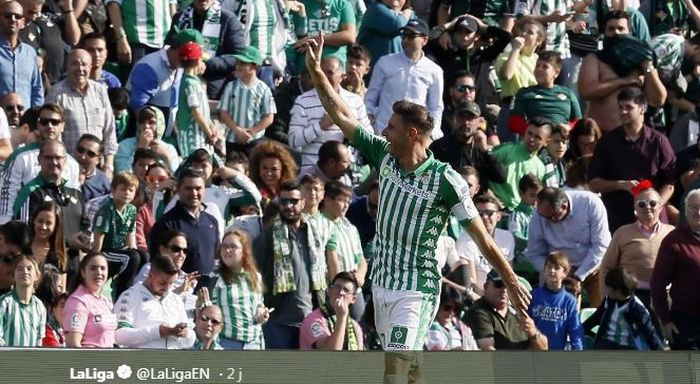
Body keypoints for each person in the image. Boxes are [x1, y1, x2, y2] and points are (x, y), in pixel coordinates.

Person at [305, 34, 529, 382]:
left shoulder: (445, 180)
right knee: (410, 370)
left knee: (394, 367)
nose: (383, 129)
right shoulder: (385, 155)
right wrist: (317, 70)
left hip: (417, 289)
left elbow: (482, 236)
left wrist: (512, 280)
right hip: (382, 284)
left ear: (411, 135)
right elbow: (341, 113)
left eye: (390, 127)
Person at [588, 87, 676, 232]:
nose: (623, 112)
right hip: (617, 219)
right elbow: (594, 184)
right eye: (620, 107)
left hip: (654, 222)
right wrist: (621, 185)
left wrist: (654, 205)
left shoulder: (659, 141)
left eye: (629, 107)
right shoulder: (607, 142)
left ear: (642, 108)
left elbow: (670, 183)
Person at [254, 180, 330, 349]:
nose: (288, 206)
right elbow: (254, 274)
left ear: (303, 202)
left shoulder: (314, 233)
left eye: (294, 201)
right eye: (284, 201)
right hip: (278, 320)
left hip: (311, 318)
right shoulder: (268, 236)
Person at [578, 11, 667, 131]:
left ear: (629, 32)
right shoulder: (594, 59)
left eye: (621, 28)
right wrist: (623, 81)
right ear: (604, 32)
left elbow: (658, 100)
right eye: (611, 29)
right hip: (601, 136)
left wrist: (646, 64)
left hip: (633, 137)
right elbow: (586, 91)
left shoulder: (642, 61)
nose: (616, 33)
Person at [526, 187, 611, 307]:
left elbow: (601, 246)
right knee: (552, 313)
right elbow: (534, 254)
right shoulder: (539, 215)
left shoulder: (591, 203)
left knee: (602, 310)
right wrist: (553, 271)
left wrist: (578, 276)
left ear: (564, 206)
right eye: (546, 217)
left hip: (593, 266)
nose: (550, 220)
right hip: (557, 268)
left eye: (554, 216)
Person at [0, 103, 81, 224]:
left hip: (60, 229)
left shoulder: (72, 164)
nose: (49, 126)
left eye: (55, 122)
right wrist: (5, 231)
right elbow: (7, 199)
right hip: (26, 226)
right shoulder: (20, 157)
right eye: (44, 122)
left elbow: (73, 201)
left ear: (63, 126)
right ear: (38, 125)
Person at [365, 18, 444, 139]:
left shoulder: (434, 70)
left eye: (411, 36)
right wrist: (371, 120)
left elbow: (436, 107)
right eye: (404, 35)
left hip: (414, 138)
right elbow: (370, 98)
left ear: (424, 40)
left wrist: (432, 133)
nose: (406, 40)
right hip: (383, 134)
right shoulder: (385, 62)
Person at [289, 56, 370, 171]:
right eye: (321, 72)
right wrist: (321, 125)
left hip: (345, 175)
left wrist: (348, 127)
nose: (324, 77)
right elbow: (294, 141)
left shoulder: (355, 101)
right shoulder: (303, 101)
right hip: (312, 176)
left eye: (330, 73)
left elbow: (368, 138)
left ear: (342, 77)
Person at [47, 49, 118, 176]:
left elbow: (109, 129)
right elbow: (53, 134)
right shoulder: (57, 93)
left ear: (91, 67)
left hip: (98, 168)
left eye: (84, 64)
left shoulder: (100, 91)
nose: (80, 68)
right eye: (75, 63)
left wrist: (109, 164)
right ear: (67, 66)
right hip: (68, 168)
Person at [599, 187, 674, 308]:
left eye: (653, 203)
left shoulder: (672, 232)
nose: (648, 207)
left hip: (665, 295)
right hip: (629, 295)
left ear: (660, 207)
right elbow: (607, 267)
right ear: (635, 209)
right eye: (642, 204)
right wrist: (606, 298)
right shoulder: (622, 232)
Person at [651, 189, 700, 350]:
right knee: (685, 374)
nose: (698, 212)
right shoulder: (673, 241)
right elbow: (657, 284)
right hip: (687, 324)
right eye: (693, 207)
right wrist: (666, 320)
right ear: (685, 210)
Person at [166, 0, 247, 98]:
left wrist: (206, 65)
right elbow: (169, 49)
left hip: (213, 85)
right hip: (179, 80)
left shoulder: (228, 19)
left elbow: (239, 57)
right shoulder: (180, 18)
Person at [148, 168, 220, 275]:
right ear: (178, 190)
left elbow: (216, 257)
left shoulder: (211, 221)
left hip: (206, 288)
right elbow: (156, 263)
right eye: (188, 188)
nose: (194, 193)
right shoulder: (166, 223)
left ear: (205, 189)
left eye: (198, 188)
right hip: (178, 289)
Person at [114, 254, 196, 349]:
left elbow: (190, 341)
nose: (167, 288)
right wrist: (158, 332)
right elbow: (119, 336)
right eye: (162, 283)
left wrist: (187, 334)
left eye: (171, 283)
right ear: (150, 275)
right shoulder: (130, 296)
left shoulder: (176, 299)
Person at [12, 140, 85, 246]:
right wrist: (67, 242)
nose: (54, 162)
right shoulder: (30, 193)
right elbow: (25, 236)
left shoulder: (75, 192)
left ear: (65, 161)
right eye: (48, 158)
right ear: (39, 160)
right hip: (43, 260)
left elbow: (85, 225)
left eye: (58, 158)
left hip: (73, 261)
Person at [429, 101, 506, 192]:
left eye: (470, 118)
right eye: (462, 118)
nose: (466, 123)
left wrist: (486, 151)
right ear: (454, 119)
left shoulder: (481, 149)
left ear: (479, 122)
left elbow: (501, 177)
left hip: (476, 202)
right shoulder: (439, 146)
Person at [210, 230, 269, 349]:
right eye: (224, 246)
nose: (227, 250)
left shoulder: (255, 277)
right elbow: (206, 310)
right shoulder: (214, 277)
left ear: (244, 251)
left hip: (254, 343)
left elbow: (258, 305)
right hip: (226, 343)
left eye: (233, 247)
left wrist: (262, 313)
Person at [464, 270, 548, 350]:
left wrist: (533, 333)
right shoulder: (479, 312)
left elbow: (544, 348)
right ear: (486, 287)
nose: (504, 290)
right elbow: (488, 349)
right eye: (499, 284)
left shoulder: (517, 313)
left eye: (508, 286)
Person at [584, 266, 665, 350]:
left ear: (618, 290)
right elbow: (596, 318)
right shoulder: (608, 301)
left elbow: (649, 331)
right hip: (607, 342)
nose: (606, 291)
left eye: (609, 288)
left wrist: (659, 351)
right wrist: (581, 329)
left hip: (628, 346)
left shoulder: (636, 308)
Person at [320, 181, 367, 321]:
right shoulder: (319, 225)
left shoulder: (350, 228)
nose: (346, 205)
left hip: (355, 290)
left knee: (358, 331)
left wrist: (359, 276)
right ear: (327, 200)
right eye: (341, 200)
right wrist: (340, 282)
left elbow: (361, 259)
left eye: (348, 201)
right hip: (333, 291)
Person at [508, 51, 581, 136]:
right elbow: (514, 122)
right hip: (536, 143)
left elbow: (578, 120)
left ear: (556, 73)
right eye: (537, 65)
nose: (539, 69)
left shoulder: (568, 93)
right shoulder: (525, 93)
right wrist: (535, 133)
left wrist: (569, 127)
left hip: (561, 141)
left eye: (545, 67)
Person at [218, 46, 275, 155]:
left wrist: (251, 132)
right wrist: (238, 130)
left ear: (254, 66)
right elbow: (223, 113)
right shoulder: (231, 87)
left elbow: (269, 117)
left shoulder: (263, 89)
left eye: (243, 63)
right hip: (232, 139)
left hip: (254, 140)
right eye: (238, 63)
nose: (238, 66)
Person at [455, 195, 515, 295]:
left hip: (504, 294)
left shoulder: (507, 237)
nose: (485, 217)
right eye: (480, 214)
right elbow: (472, 283)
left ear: (499, 216)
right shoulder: (465, 240)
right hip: (479, 297)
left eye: (489, 213)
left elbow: (510, 273)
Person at [490, 117, 550, 211]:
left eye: (537, 137)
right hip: (496, 210)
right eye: (529, 133)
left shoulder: (540, 167)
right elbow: (482, 173)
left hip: (521, 212)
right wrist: (492, 198)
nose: (531, 139)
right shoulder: (505, 151)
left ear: (546, 142)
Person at [528, 252, 584, 350]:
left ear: (565, 273)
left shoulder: (569, 301)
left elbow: (575, 333)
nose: (552, 271)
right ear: (544, 269)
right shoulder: (533, 296)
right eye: (549, 267)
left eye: (557, 268)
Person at [63, 252, 117, 348]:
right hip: (90, 361)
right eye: (93, 268)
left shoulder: (105, 301)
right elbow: (73, 345)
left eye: (103, 268)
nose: (99, 272)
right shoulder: (78, 302)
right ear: (83, 272)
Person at [300, 271, 364, 350]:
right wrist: (341, 318)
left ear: (353, 299)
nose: (340, 292)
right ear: (329, 290)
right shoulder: (314, 320)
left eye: (346, 290)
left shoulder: (355, 327)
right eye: (337, 287)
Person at [176, 41, 218, 158]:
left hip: (202, 133)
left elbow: (204, 112)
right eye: (202, 60)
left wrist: (211, 125)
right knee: (194, 163)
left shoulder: (196, 82)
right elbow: (196, 112)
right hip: (192, 134)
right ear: (197, 61)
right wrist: (209, 132)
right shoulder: (189, 84)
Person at [0, 1, 43, 107]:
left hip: (25, 120)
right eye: (8, 16)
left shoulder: (30, 53)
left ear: (23, 22)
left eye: (18, 16)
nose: (13, 19)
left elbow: (37, 89)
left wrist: (33, 117)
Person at [114, 106, 180, 175]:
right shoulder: (125, 145)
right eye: (142, 122)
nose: (146, 126)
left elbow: (176, 178)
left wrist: (167, 157)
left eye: (151, 122)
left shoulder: (169, 149)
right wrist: (139, 150)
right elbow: (122, 174)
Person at [0, 254, 46, 346]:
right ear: (13, 275)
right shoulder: (4, 303)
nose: (25, 272)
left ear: (37, 276)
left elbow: (39, 341)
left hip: (30, 360)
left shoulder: (39, 306)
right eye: (20, 269)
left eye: (29, 269)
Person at [357, 0, 414, 68]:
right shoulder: (376, 8)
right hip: (374, 72)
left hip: (399, 72)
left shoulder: (412, 16)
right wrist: (406, 14)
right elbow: (396, 26)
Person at [92, 172, 138, 252]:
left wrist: (132, 250)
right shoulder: (107, 209)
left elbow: (130, 233)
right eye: (123, 189)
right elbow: (99, 236)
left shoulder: (132, 210)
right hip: (107, 250)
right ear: (113, 190)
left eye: (131, 190)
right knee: (133, 258)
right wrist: (96, 255)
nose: (127, 193)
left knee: (142, 255)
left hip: (121, 249)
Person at [508, 173, 543, 277]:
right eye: (532, 196)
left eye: (539, 196)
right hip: (522, 264)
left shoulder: (542, 214)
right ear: (521, 194)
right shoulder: (516, 215)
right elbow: (515, 236)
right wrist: (535, 244)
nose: (536, 200)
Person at [425, 285, 478, 351]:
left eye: (455, 309)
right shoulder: (430, 327)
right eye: (447, 308)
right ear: (438, 305)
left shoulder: (463, 327)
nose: (451, 312)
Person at [248, 140, 298, 208]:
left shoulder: (291, 192)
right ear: (257, 168)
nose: (269, 173)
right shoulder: (251, 190)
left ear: (283, 169)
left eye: (274, 169)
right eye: (264, 168)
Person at [29, 202, 68, 284]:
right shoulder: (23, 246)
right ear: (34, 221)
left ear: (55, 226)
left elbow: (61, 290)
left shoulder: (59, 255)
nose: (43, 227)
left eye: (48, 223)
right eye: (40, 221)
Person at [75, 134, 111, 202]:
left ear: (98, 160)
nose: (83, 157)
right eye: (80, 150)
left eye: (90, 154)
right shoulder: (63, 174)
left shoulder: (103, 180)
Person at [540, 124, 569, 188]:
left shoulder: (563, 164)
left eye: (564, 142)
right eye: (556, 142)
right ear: (546, 143)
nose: (561, 146)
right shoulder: (539, 163)